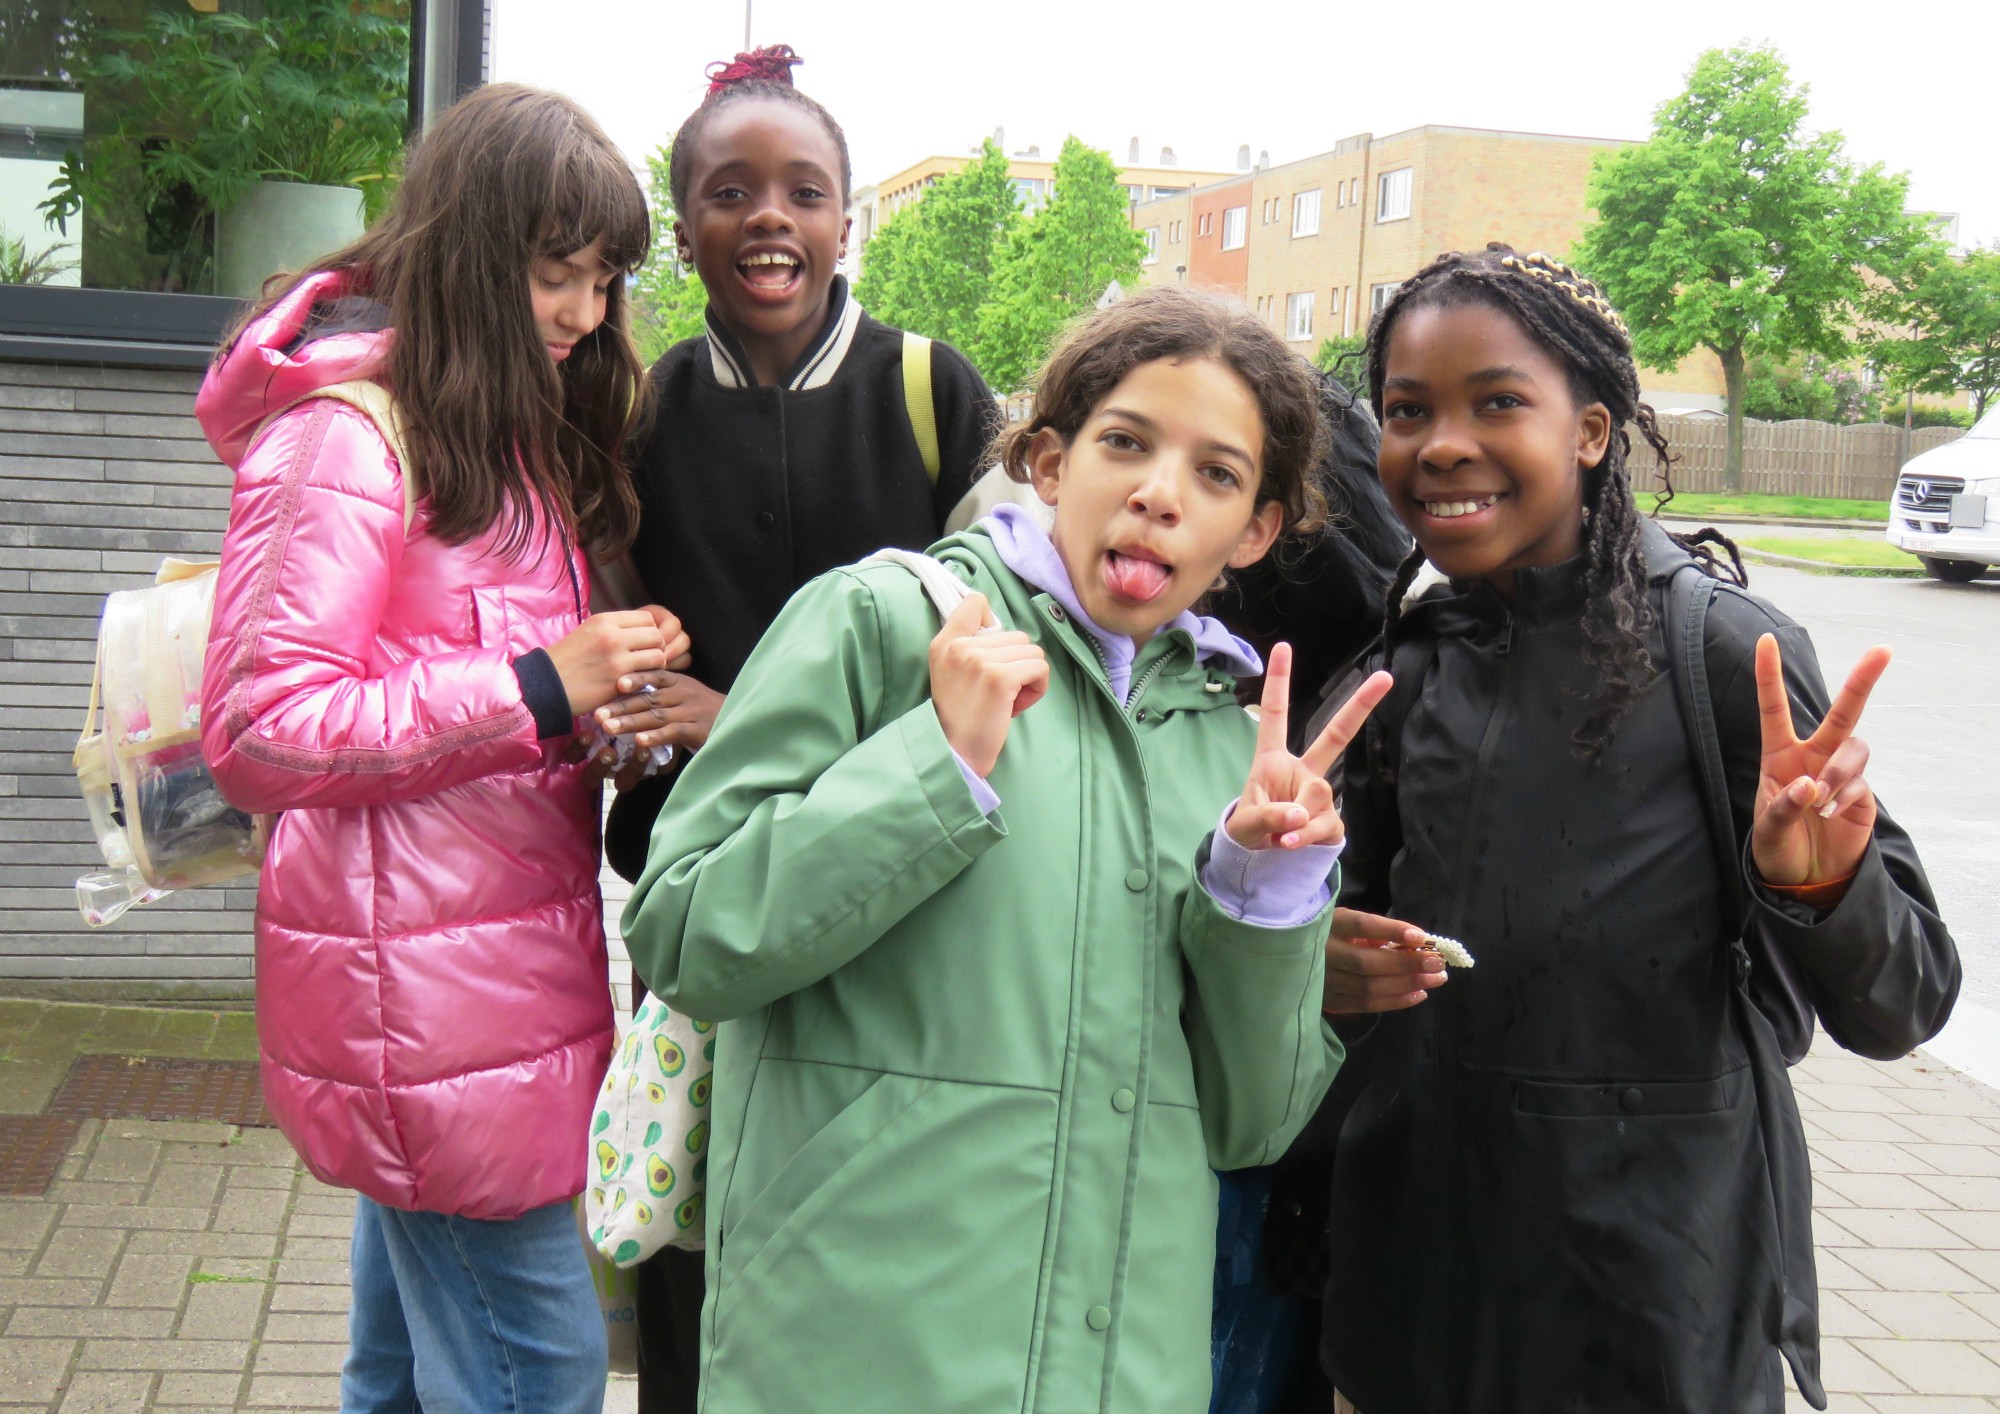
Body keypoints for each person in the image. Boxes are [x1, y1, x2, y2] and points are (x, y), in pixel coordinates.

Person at [619, 287, 1384, 1411]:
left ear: (1256, 530)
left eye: (1216, 475)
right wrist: (934, 764)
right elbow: (685, 933)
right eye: (1123, 443)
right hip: (852, 1362)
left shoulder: (1228, 737)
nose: (1157, 495)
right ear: (1046, 460)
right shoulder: (879, 623)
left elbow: (1250, 1118)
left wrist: (1259, 893)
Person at [1313, 245, 1960, 1413]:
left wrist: (1821, 888)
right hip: (1417, 1289)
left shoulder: (1721, 654)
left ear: (1593, 432)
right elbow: (1328, 949)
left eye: (1496, 401)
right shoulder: (1401, 666)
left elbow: (1900, 1003)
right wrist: (1312, 957)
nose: (1441, 442)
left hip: (1650, 1305)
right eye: (1406, 411)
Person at [196, 85, 677, 1414]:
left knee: (404, 1374)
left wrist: (594, 719)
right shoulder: (346, 438)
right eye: (553, 273)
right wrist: (539, 682)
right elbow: (259, 726)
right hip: (421, 1011)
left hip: (480, 997)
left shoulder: (498, 433)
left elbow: (456, 697)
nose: (585, 313)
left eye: (604, 278)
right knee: (538, 1374)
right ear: (469, 256)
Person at [587, 45, 998, 1411]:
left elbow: (995, 658)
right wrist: (634, 713)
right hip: (697, 897)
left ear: (844, 219)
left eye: (804, 190)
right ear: (684, 219)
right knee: (692, 1236)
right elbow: (620, 625)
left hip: (899, 889)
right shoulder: (635, 416)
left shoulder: (936, 392)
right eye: (729, 189)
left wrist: (736, 713)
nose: (769, 216)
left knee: (862, 1221)